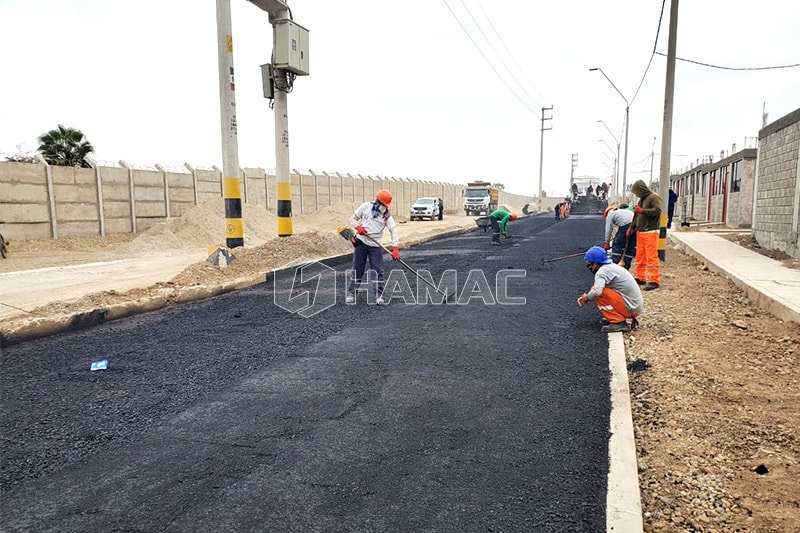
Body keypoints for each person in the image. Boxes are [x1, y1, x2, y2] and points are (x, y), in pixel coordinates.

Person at [346, 189, 400, 304]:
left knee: (378, 271)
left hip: (375, 246)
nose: (385, 207)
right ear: (378, 202)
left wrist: (395, 248)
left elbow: (393, 230)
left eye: (387, 206)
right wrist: (358, 227)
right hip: (361, 243)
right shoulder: (366, 207)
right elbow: (352, 219)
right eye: (384, 205)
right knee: (357, 269)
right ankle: (351, 293)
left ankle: (379, 296)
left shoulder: (386, 216)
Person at [577, 246, 644, 333]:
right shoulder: (611, 267)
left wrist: (586, 298)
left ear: (596, 263)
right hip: (634, 306)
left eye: (589, 263)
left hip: (630, 308)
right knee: (597, 289)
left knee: (598, 292)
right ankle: (615, 316)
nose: (588, 266)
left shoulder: (602, 272)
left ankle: (618, 321)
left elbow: (597, 292)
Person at [630, 179, 663, 291]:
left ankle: (654, 280)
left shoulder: (654, 197)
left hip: (650, 231)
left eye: (636, 192)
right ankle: (641, 277)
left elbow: (657, 211)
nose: (636, 194)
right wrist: (632, 227)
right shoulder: (642, 199)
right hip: (641, 231)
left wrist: (642, 211)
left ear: (641, 189)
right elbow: (637, 215)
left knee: (651, 256)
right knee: (640, 256)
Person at [603, 203, 636, 269]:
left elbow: (608, 229)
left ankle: (616, 266)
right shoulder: (623, 212)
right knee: (630, 247)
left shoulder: (611, 214)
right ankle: (626, 267)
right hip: (636, 227)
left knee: (617, 245)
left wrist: (607, 243)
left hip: (626, 226)